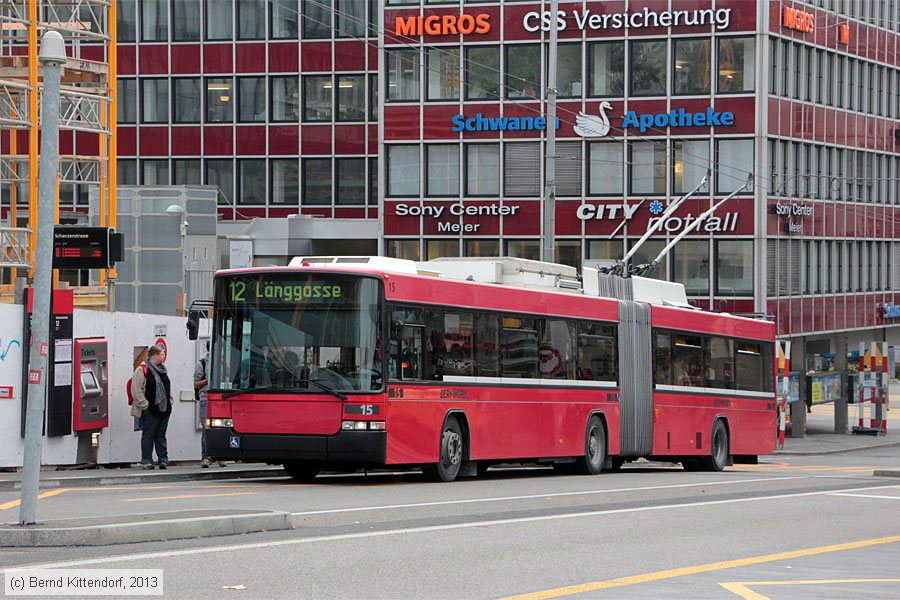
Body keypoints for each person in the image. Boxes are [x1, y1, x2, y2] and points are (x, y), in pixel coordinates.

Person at [130, 345, 173, 469]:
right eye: (162, 354)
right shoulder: (142, 370)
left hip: (164, 409)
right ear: (155, 355)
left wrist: (170, 401)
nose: (163, 356)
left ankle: (163, 459)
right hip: (150, 409)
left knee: (161, 434)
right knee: (148, 434)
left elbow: (167, 387)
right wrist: (145, 405)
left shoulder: (163, 370)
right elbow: (136, 390)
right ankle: (147, 460)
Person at [194, 342, 225, 468]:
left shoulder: (223, 363)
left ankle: (220, 456)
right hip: (206, 399)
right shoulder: (201, 363)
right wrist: (209, 379)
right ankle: (206, 456)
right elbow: (196, 384)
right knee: (206, 429)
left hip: (221, 400)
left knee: (221, 428)